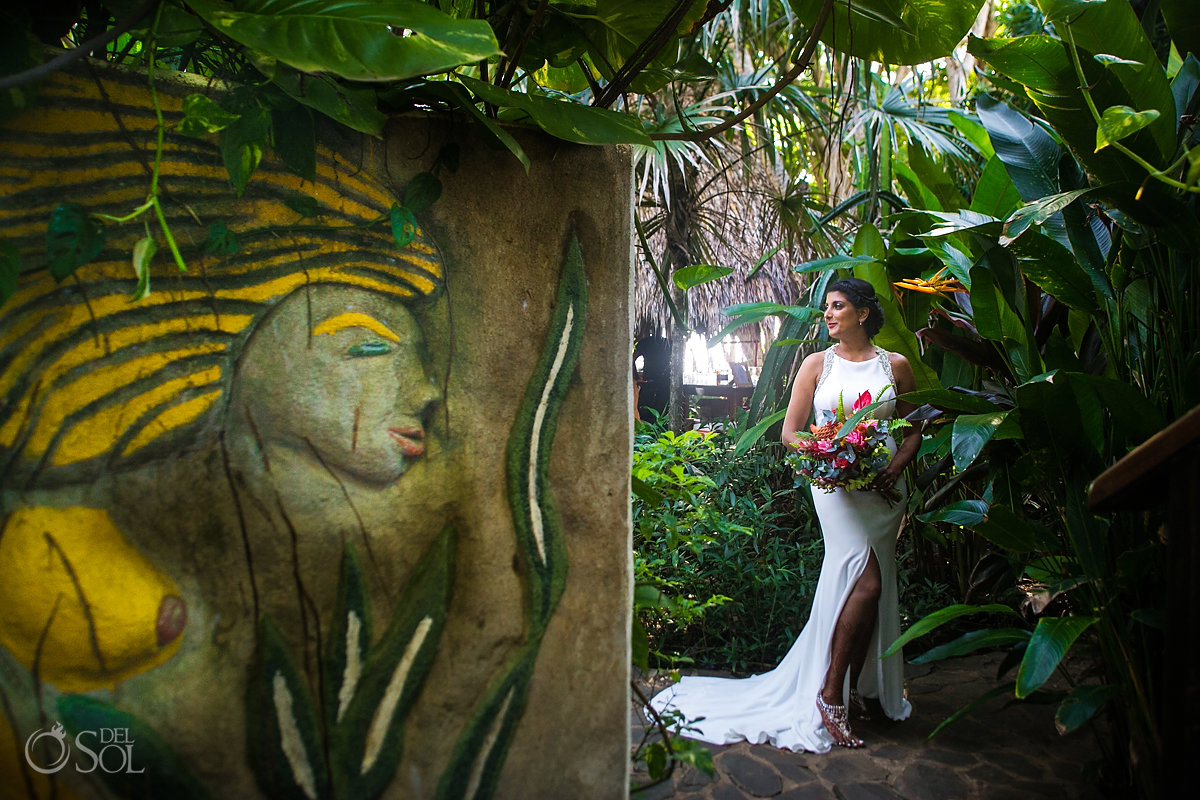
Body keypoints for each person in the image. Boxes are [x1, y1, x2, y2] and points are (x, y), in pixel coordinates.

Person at [648, 277, 920, 752]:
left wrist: (890, 469)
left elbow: (915, 428)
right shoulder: (817, 364)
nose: (828, 315)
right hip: (833, 487)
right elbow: (791, 433)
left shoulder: (895, 366)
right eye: (826, 308)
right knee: (867, 581)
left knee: (869, 589)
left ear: (862, 313)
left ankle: (853, 687)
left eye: (837, 307)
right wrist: (830, 455)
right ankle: (829, 695)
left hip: (884, 491)